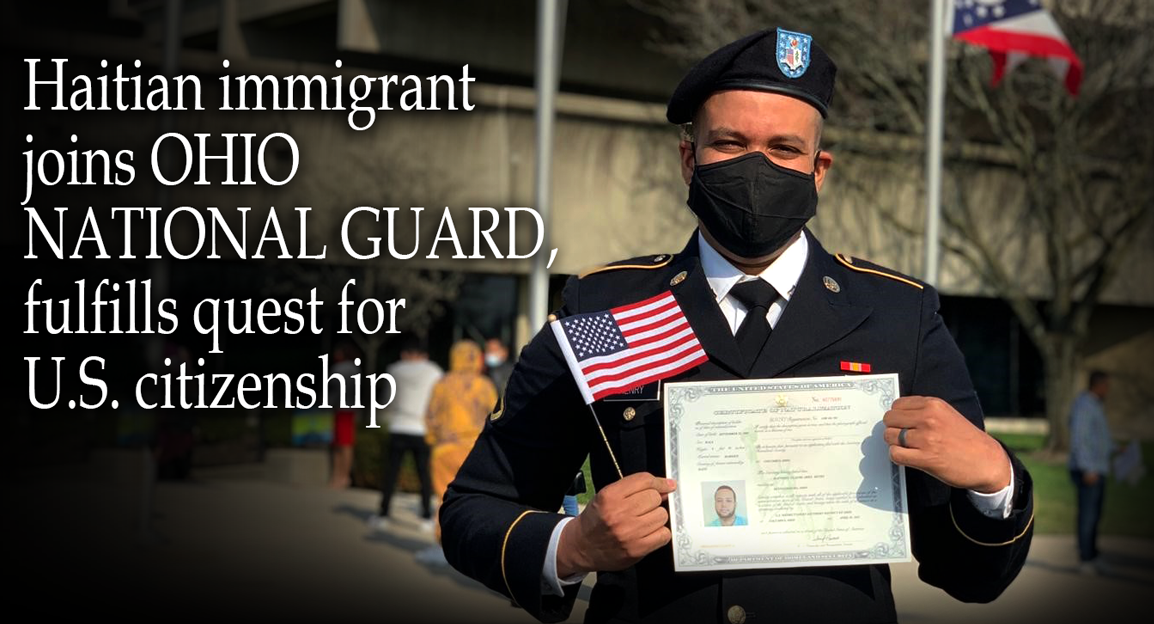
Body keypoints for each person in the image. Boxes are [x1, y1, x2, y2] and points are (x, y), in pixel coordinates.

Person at [439, 28, 1034, 623]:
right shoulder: (605, 308)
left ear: (818, 169)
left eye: (783, 149)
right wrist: (571, 548)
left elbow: (970, 576)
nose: (757, 167)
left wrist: (993, 479)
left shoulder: (898, 315)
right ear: (688, 158)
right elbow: (475, 507)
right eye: (729, 142)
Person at [418, 340, 498, 563]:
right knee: (477, 500)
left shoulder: (443, 384)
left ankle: (444, 545)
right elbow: (494, 418)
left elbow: (430, 416)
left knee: (444, 499)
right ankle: (475, 547)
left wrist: (434, 439)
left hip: (446, 449)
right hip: (475, 451)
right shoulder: (485, 385)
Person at [370, 334, 444, 533]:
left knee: (391, 473)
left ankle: (383, 514)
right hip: (422, 429)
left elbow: (387, 400)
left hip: (399, 426)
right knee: (424, 474)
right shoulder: (434, 371)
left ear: (404, 353)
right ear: (424, 354)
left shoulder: (394, 370)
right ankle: (426, 518)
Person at [1068, 370, 1115, 575]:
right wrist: (1088, 468)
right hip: (1089, 470)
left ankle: (1094, 555)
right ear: (1098, 385)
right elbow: (1080, 439)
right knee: (1087, 516)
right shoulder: (1085, 405)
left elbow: (1098, 437)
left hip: (1098, 468)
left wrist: (1115, 448)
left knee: (1095, 515)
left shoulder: (1095, 405)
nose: (1108, 390)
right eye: (1107, 385)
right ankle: (1085, 559)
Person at [328, 340, 360, 490]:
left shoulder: (338, 369)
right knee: (345, 444)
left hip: (341, 409)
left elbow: (333, 391)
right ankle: (343, 476)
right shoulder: (355, 369)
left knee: (341, 445)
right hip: (350, 409)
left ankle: (338, 476)